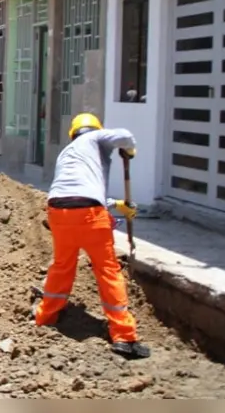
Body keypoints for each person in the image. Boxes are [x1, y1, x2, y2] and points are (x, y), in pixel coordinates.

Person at [33, 113, 148, 359]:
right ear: (96, 129)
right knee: (107, 270)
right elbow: (125, 136)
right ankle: (124, 336)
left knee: (62, 266)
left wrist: (117, 205)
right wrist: (129, 150)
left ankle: (45, 317)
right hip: (89, 214)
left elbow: (79, 191)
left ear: (72, 134)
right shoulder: (95, 138)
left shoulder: (68, 153)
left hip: (58, 211)